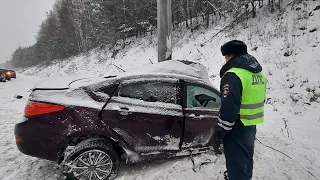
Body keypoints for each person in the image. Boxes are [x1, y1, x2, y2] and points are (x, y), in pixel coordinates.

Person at [214, 40, 267, 180]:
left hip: (237, 125)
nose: (225, 59)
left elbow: (229, 108)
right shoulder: (257, 74)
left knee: (236, 159)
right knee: (246, 156)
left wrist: (220, 131)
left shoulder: (233, 76)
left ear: (232, 56)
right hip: (251, 123)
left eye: (226, 56)